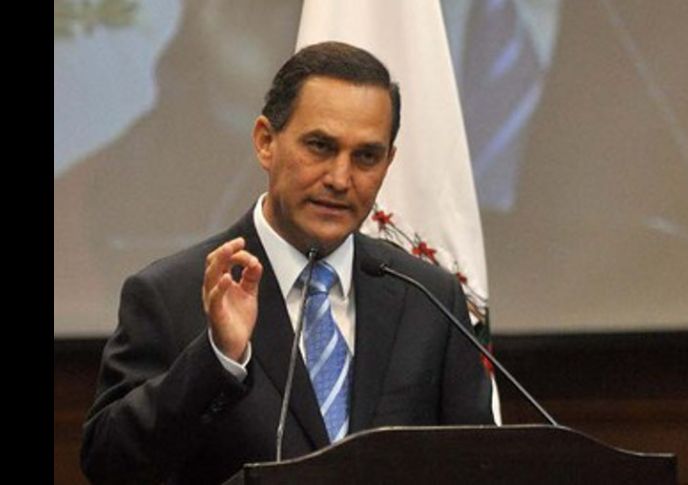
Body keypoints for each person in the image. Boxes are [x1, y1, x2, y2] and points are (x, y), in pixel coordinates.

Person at [81, 41, 494, 485]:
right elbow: (110, 465)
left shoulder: (428, 297)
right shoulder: (170, 293)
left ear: (388, 162)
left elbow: (479, 465)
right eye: (320, 146)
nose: (340, 179)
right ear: (265, 141)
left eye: (366, 156)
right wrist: (217, 359)